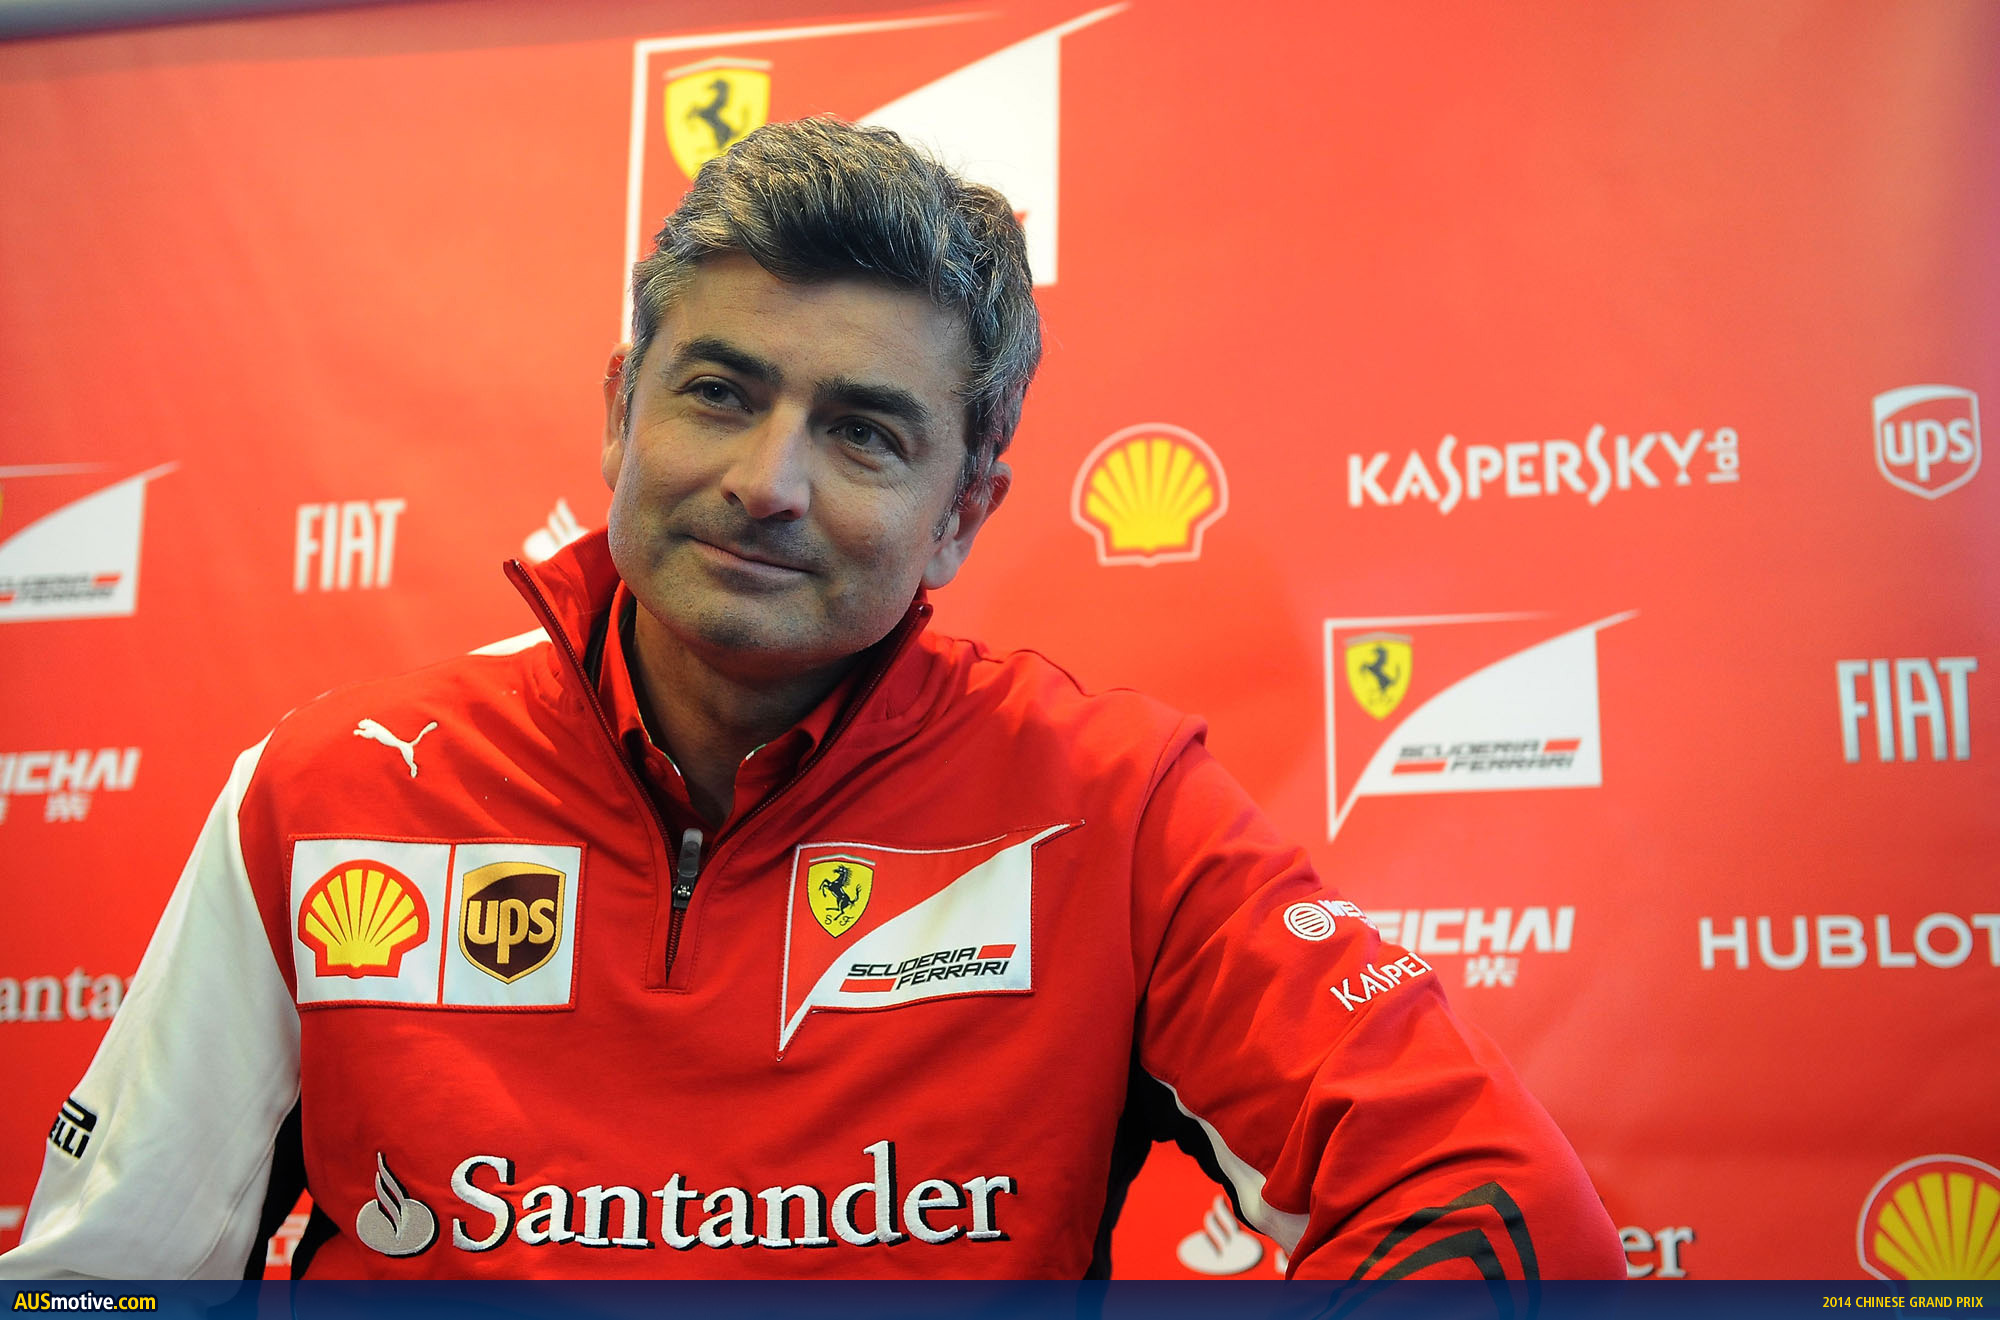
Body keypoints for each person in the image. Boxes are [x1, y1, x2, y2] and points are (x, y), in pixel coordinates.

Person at [1, 118, 1624, 1281]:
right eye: (718, 392)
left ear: (964, 509)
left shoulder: (1109, 810)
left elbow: (1501, 1207)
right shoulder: (330, 788)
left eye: (862, 432)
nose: (766, 483)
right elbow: (104, 1282)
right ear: (621, 413)